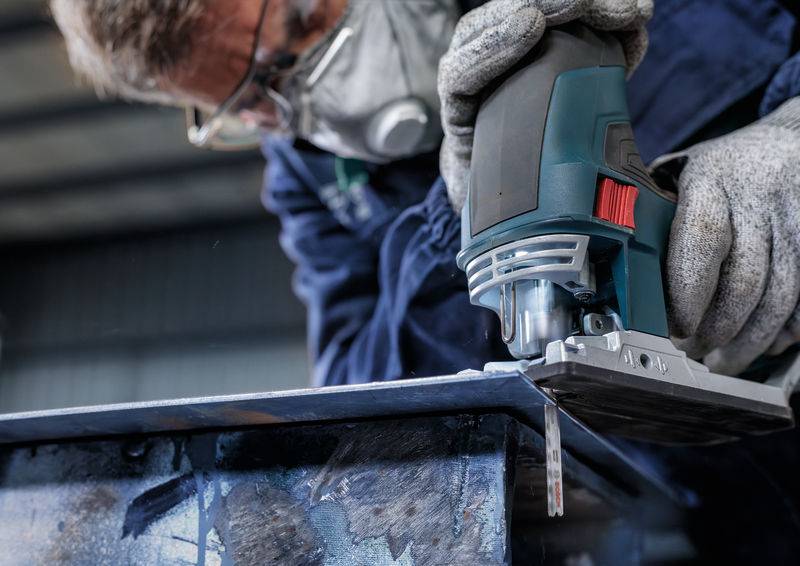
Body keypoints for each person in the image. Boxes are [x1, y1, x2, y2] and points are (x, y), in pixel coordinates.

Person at [47, 2, 800, 561]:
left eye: (305, 23)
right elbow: (355, 408)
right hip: (697, 523)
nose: (305, 95)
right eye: (252, 101)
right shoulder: (310, 169)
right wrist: (453, 223)